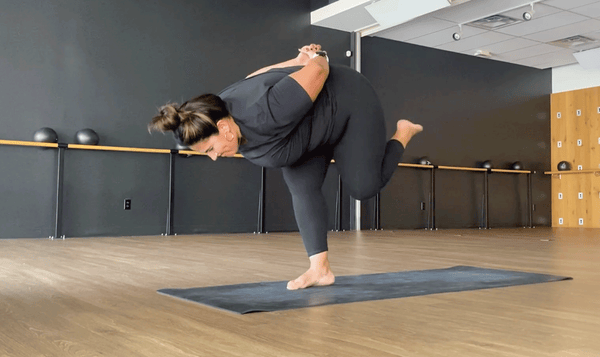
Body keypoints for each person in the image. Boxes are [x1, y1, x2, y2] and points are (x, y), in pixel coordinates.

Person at [149, 44, 422, 290]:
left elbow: (318, 70)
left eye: (210, 149)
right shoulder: (216, 111)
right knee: (303, 189)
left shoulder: (266, 112)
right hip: (306, 132)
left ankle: (403, 133)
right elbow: (258, 76)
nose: (214, 157)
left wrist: (316, 56)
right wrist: (294, 59)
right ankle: (320, 270)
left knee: (364, 188)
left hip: (349, 104)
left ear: (224, 129)